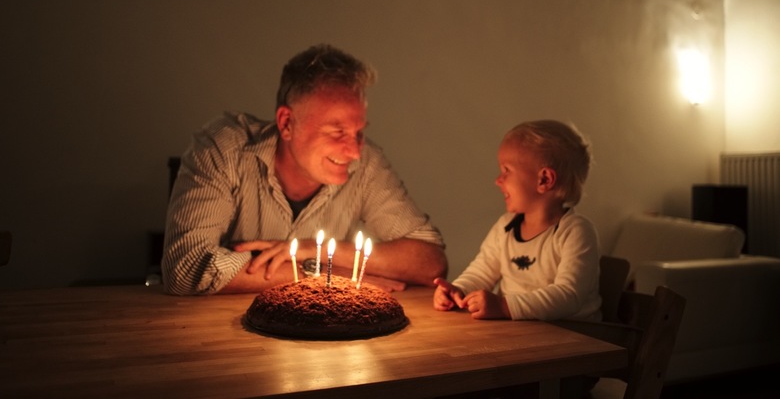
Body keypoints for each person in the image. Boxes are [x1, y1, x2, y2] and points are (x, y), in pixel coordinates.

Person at [163, 44, 447, 295]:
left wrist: (316, 248)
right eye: (337, 132)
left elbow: (430, 262)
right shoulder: (224, 148)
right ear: (287, 123)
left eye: (359, 132)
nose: (355, 150)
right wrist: (326, 276)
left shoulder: (367, 163)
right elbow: (186, 268)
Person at [433, 120, 600, 321]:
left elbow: (569, 295)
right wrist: (457, 290)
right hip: (523, 332)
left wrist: (504, 306)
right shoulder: (506, 226)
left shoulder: (575, 232)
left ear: (544, 179)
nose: (498, 180)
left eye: (506, 171)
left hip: (576, 339)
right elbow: (482, 271)